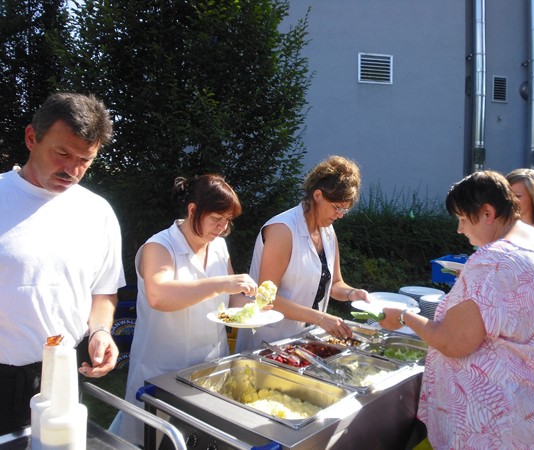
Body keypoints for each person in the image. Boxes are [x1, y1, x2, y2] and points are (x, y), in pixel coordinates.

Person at [379, 170, 534, 448]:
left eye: (462, 219)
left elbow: (452, 341)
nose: (459, 230)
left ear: (487, 213)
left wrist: (403, 316)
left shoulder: (494, 260)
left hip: (499, 430)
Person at [0, 92, 126, 435]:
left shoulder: (97, 212)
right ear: (31, 138)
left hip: (63, 376)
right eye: (62, 154)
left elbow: (103, 292)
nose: (72, 170)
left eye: (85, 159)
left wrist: (101, 331)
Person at [114, 174, 258, 446]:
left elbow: (233, 299)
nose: (222, 228)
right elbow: (159, 296)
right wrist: (222, 283)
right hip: (163, 369)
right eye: (216, 219)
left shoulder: (218, 246)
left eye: (228, 221)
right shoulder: (159, 246)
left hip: (210, 364)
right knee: (154, 441)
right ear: (193, 210)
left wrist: (256, 306)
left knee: (200, 440)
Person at [235, 155, 369, 352]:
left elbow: (334, 284)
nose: (340, 215)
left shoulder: (328, 232)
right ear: (318, 195)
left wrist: (352, 293)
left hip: (303, 341)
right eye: (337, 207)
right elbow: (266, 297)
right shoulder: (282, 230)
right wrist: (320, 318)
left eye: (345, 210)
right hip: (267, 342)